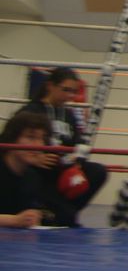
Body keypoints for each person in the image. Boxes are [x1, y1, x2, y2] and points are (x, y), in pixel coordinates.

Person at [19, 67, 107, 216]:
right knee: (30, 175)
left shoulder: (68, 114)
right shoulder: (30, 111)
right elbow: (12, 143)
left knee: (98, 171)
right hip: (40, 170)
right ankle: (59, 212)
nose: (70, 96)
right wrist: (35, 158)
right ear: (50, 86)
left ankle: (63, 211)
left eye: (73, 91)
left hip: (64, 168)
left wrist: (77, 162)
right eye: (66, 90)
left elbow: (79, 143)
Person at [0, 112, 76, 228]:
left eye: (42, 138)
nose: (39, 145)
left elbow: (27, 217)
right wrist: (14, 220)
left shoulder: (31, 177)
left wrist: (34, 217)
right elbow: (17, 219)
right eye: (31, 137)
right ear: (12, 138)